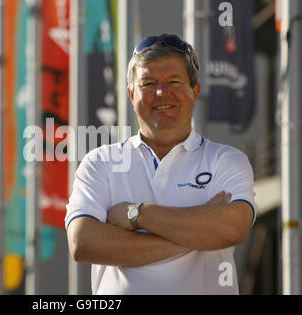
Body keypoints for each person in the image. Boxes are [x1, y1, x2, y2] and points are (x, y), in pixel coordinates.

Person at [65, 34, 256, 295]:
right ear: (132, 94)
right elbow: (82, 243)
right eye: (148, 83)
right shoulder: (100, 163)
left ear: (195, 91)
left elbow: (232, 229)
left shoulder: (226, 160)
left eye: (174, 81)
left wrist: (136, 214)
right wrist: (199, 234)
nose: (161, 92)